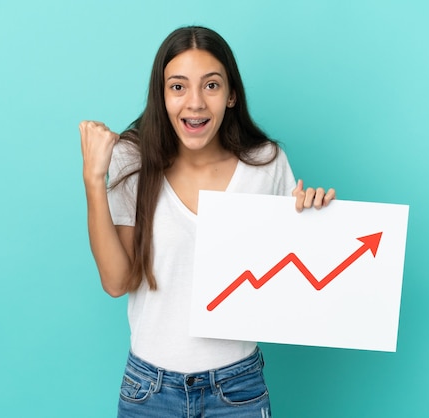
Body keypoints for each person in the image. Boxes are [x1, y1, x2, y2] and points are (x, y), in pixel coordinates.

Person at [79, 25, 335, 418]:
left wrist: (313, 218)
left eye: (211, 86)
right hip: (149, 390)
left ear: (231, 95)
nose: (195, 103)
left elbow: (295, 277)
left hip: (237, 390)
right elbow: (116, 282)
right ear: (162, 96)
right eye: (178, 87)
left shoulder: (266, 163)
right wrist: (94, 179)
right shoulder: (133, 159)